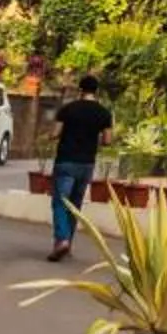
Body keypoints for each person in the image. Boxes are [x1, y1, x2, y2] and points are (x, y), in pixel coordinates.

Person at [45, 75, 113, 261]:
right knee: (75, 205)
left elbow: (54, 134)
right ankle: (68, 243)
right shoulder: (103, 113)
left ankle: (62, 240)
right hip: (86, 163)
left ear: (80, 90)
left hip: (66, 161)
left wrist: (50, 136)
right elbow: (107, 141)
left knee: (60, 202)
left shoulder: (68, 109)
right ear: (96, 90)